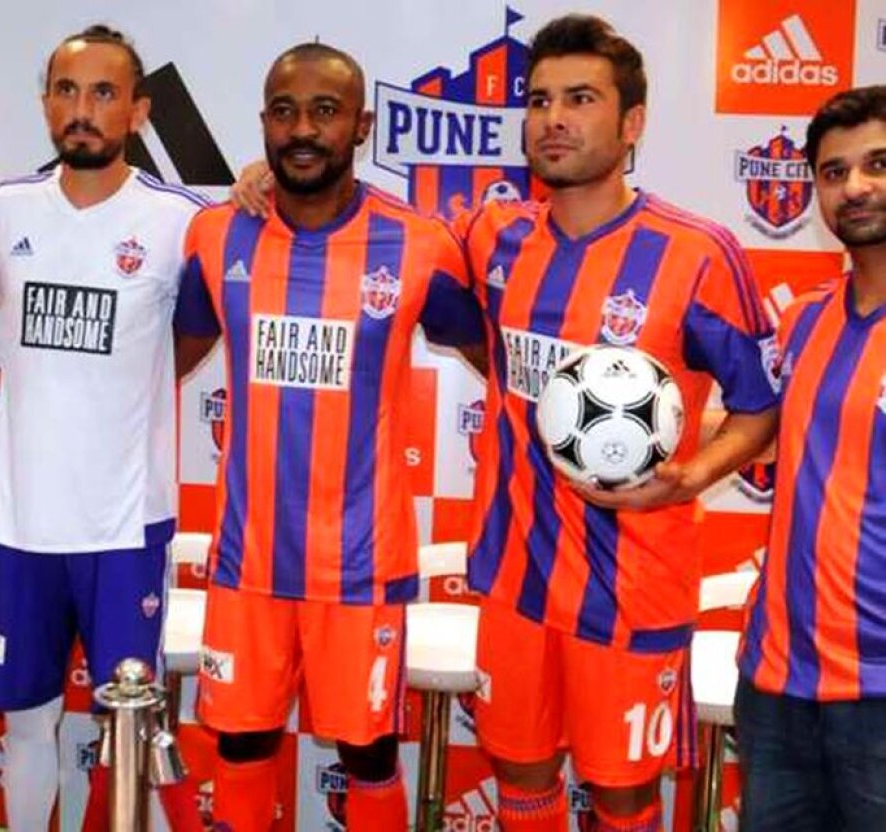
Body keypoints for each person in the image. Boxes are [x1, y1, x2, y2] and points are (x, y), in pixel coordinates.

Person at [457, 16, 779, 831]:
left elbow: (763, 406)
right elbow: (382, 239)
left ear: (632, 123)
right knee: (520, 773)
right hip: (513, 573)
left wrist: (690, 476)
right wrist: (261, 183)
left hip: (632, 584)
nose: (553, 119)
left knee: (623, 793)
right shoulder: (494, 237)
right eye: (539, 100)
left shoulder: (696, 254)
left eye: (581, 99)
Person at [174, 42, 483, 830]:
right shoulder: (217, 235)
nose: (303, 129)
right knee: (240, 742)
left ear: (363, 125)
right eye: (284, 112)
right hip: (248, 558)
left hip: (361, 561)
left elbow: (498, 359)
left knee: (367, 755)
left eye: (325, 111)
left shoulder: (418, 242)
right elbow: (164, 362)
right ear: (263, 124)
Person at [0, 24, 205, 832]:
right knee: (24, 723)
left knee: (134, 726)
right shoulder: (3, 211)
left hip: (124, 523)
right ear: (45, 104)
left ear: (138, 111)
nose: (83, 109)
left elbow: (190, 337)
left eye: (104, 93)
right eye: (67, 91)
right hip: (21, 522)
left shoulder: (178, 220)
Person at [736, 85, 886, 832]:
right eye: (834, 172)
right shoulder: (801, 320)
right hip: (778, 682)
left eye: (878, 164)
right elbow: (758, 430)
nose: (855, 186)